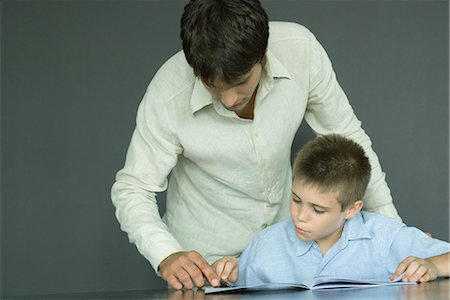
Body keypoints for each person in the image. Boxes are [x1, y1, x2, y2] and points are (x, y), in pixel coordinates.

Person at [111, 0, 402, 290]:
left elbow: (350, 141)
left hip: (285, 258)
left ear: (263, 54)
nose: (228, 100)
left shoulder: (301, 51)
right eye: (212, 85)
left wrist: (395, 238)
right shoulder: (167, 95)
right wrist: (166, 255)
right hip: (207, 271)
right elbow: (133, 188)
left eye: (240, 82)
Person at [212, 134, 449, 285]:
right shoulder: (264, 245)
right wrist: (227, 277)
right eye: (295, 200)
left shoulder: (386, 238)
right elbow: (229, 285)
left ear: (352, 209)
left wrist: (432, 265)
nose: (300, 216)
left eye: (317, 209)